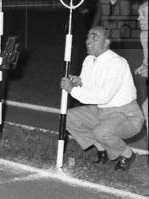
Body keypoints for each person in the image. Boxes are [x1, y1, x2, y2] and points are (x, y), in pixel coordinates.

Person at [61, 26, 144, 170]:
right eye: (88, 37)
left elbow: (104, 96)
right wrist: (78, 82)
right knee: (67, 117)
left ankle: (127, 154)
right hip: (102, 111)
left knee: (101, 132)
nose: (88, 41)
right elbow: (88, 86)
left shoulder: (117, 63)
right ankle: (101, 149)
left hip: (127, 115)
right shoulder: (89, 60)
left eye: (94, 38)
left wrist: (72, 90)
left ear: (106, 42)